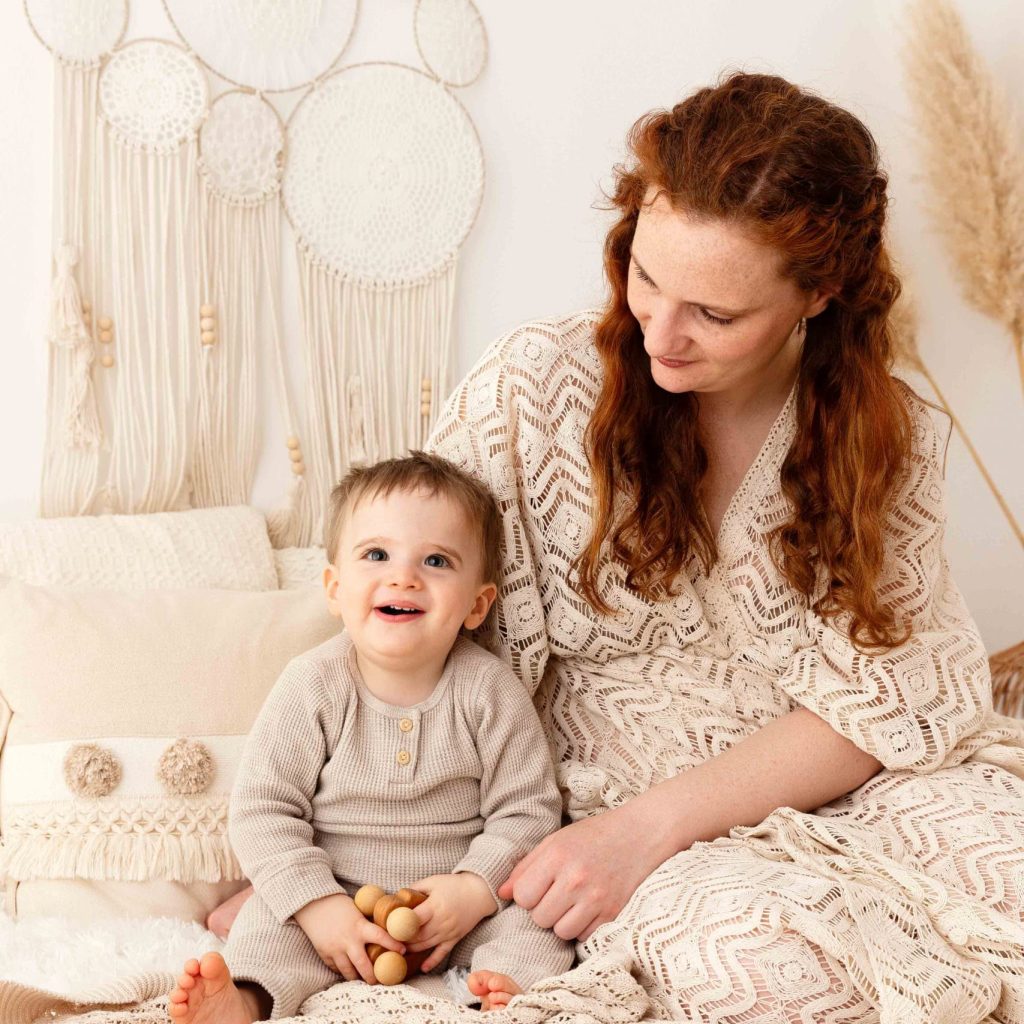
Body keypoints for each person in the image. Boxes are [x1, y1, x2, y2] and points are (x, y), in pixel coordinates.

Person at [203, 72, 1024, 1023]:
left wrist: (652, 827)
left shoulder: (891, 433)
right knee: (763, 972)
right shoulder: (533, 391)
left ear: (820, 292)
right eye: (645, 274)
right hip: (594, 816)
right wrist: (304, 887)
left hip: (827, 790)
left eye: (716, 315)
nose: (661, 335)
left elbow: (896, 698)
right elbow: (408, 646)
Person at [167, 453, 573, 1023]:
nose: (403, 576)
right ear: (335, 588)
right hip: (337, 901)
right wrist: (318, 906)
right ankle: (246, 999)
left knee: (538, 921)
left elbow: (528, 811)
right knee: (266, 922)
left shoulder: (489, 690)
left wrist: (473, 891)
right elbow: (262, 812)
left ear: (477, 605)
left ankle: (503, 989)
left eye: (435, 560)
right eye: (376, 555)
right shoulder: (313, 684)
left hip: (451, 911)